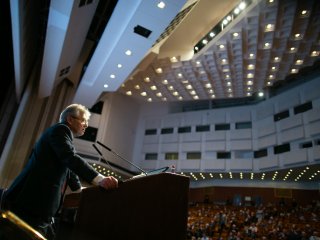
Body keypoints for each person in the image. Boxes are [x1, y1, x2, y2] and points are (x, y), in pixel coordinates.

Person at [2, 103, 118, 239]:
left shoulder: (61, 135)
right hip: (31, 204)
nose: (86, 125)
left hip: (38, 208)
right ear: (70, 119)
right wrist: (100, 179)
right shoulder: (61, 130)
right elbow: (69, 157)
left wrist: (79, 189)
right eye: (84, 120)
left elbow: (67, 166)